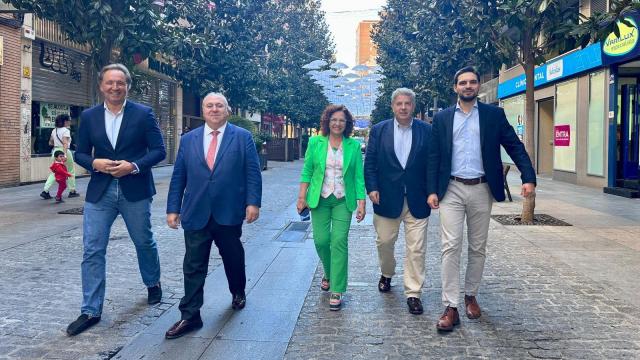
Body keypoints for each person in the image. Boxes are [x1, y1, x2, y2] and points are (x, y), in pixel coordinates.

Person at [427, 66, 536, 332]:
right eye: (462, 82)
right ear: (455, 87)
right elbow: (433, 156)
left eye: (472, 82)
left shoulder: (493, 115)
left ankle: (470, 295)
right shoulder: (441, 118)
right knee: (450, 245)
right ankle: (450, 305)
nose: (468, 86)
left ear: (478, 87)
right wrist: (431, 189)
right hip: (451, 188)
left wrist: (528, 176)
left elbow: (514, 146)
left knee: (477, 246)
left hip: (481, 188)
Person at [66, 63, 167, 336]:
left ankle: (152, 282)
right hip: (101, 191)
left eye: (120, 82)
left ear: (127, 86)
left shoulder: (144, 114)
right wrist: (94, 162)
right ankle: (91, 309)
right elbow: (80, 153)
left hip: (135, 189)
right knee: (92, 249)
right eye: (110, 82)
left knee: (144, 241)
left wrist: (133, 166)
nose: (115, 87)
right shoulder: (89, 117)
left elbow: (159, 151)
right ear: (101, 86)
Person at [164, 92, 262, 339]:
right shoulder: (188, 140)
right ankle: (190, 315)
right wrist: (173, 208)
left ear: (227, 110)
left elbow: (252, 172)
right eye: (210, 106)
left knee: (233, 257)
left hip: (228, 211)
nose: (215, 109)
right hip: (195, 211)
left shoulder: (242, 138)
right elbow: (179, 177)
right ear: (203, 110)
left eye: (219, 105)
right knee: (193, 264)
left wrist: (253, 203)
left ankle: (238, 291)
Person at [364, 88, 432, 315]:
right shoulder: (379, 130)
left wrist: (432, 191)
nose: (403, 107)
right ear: (392, 106)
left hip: (417, 198)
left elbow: (432, 164)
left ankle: (413, 293)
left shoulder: (426, 130)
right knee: (384, 242)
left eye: (407, 104)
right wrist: (371, 187)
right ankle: (387, 272)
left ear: (413, 106)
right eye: (399, 104)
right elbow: (370, 161)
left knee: (416, 248)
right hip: (386, 196)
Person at [297, 104, 366, 311]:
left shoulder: (353, 146)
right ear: (327, 122)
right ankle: (328, 272)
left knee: (338, 241)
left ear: (347, 124)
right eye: (334, 120)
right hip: (320, 198)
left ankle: (337, 288)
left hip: (343, 200)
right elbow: (307, 170)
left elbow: (358, 176)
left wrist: (362, 203)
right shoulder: (315, 142)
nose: (337, 123)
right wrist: (302, 196)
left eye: (342, 121)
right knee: (321, 240)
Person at [40, 114, 80, 199]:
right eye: (68, 120)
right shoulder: (66, 130)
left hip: (55, 152)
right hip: (64, 151)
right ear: (65, 121)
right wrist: (64, 155)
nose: (69, 122)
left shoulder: (54, 130)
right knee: (70, 171)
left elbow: (50, 143)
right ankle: (72, 191)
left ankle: (45, 191)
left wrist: (57, 145)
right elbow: (65, 143)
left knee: (55, 172)